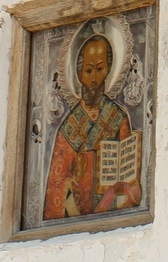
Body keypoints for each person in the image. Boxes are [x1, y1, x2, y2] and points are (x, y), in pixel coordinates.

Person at [42, 21, 144, 220]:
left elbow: (131, 180)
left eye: (100, 69)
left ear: (109, 70)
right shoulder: (69, 127)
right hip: (76, 216)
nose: (94, 79)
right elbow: (56, 187)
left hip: (113, 212)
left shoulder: (118, 117)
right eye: (88, 71)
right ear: (79, 74)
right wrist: (74, 179)